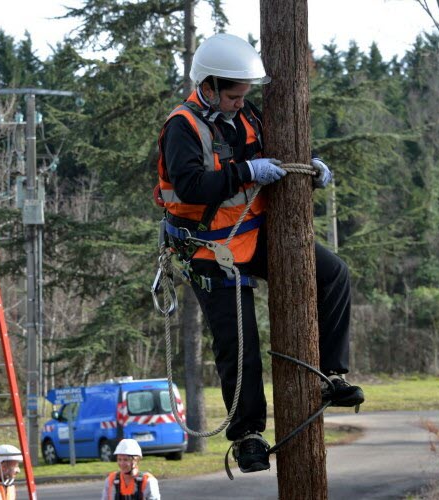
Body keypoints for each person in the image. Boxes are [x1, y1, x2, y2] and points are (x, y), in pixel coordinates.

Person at [155, 33, 365, 474]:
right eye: (233, 95)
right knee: (240, 341)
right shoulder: (183, 126)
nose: (239, 102)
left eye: (243, 95)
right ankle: (248, 433)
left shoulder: (246, 113)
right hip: (209, 250)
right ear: (208, 86)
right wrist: (246, 171)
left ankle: (332, 374)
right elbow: (191, 184)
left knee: (333, 274)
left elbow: (277, 149)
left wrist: (310, 165)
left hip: (252, 236)